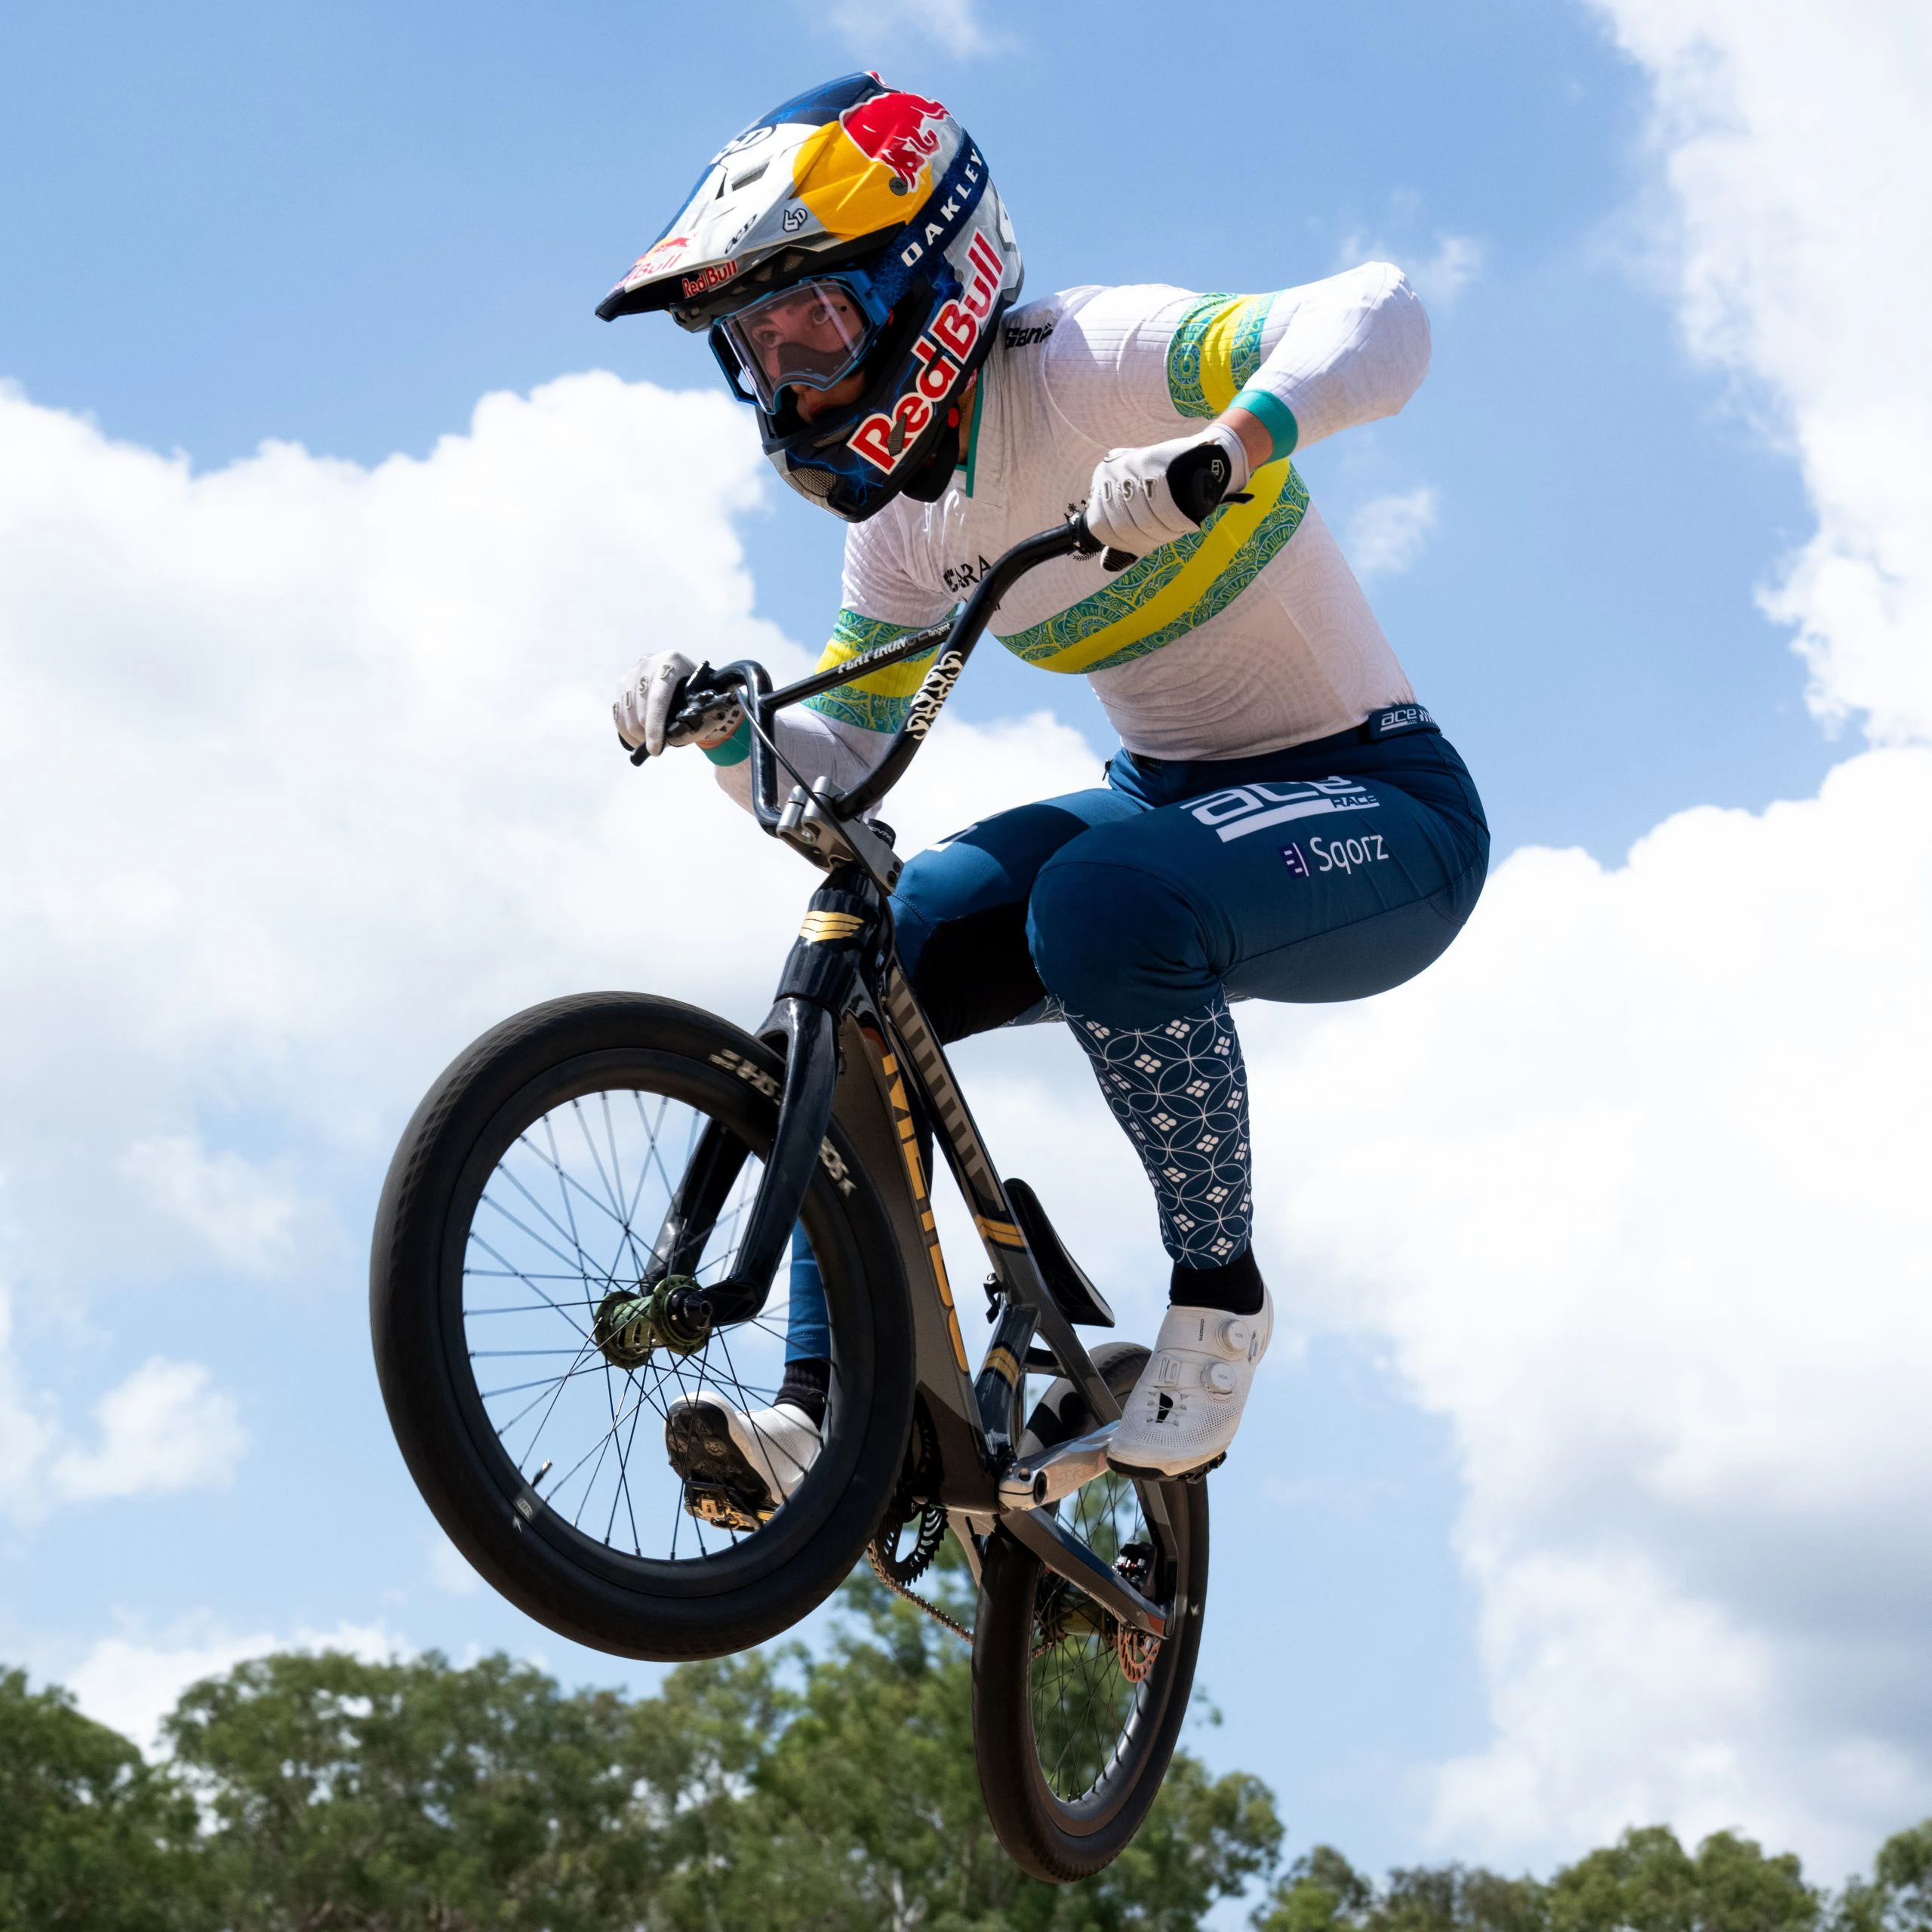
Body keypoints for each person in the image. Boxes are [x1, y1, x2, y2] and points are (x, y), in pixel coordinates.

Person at [602, 73, 1487, 1502]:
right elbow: (844, 771)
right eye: (754, 350)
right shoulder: (901, 532)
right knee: (873, 958)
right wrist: (723, 734)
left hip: (1384, 807)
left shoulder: (1088, 362)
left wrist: (1225, 443)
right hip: (1169, 807)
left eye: (811, 321)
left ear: (924, 278)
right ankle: (822, 1407)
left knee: (1100, 905)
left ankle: (1220, 1305)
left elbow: (1384, 315)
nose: (792, 379)